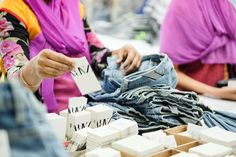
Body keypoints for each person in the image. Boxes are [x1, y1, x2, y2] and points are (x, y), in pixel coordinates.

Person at [0, 0, 141, 113]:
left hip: (86, 109)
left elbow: (96, 54)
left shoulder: (74, 5)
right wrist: (34, 69)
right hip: (42, 119)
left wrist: (120, 55)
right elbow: (14, 84)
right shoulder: (11, 12)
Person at [160, 0, 236, 101]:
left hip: (227, 98)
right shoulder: (181, 6)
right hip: (192, 102)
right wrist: (216, 92)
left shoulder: (224, 5)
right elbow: (169, 70)